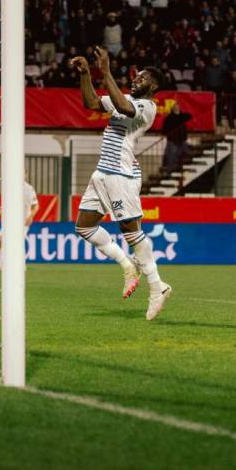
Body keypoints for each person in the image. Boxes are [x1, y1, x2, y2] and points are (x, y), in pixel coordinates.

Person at [69, 47, 172, 320]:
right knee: (84, 226)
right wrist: (86, 75)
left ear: (154, 86)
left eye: (143, 78)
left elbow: (125, 109)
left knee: (129, 229)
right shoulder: (124, 97)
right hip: (103, 172)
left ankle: (157, 287)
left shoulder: (147, 107)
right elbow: (91, 103)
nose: (136, 80)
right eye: (135, 77)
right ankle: (127, 265)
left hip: (120, 174)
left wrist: (106, 71)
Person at [0, 174, 39, 272]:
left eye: (22, 173)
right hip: (10, 220)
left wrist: (30, 216)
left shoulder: (29, 189)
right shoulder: (10, 187)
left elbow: (36, 206)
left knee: (18, 243)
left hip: (23, 221)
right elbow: (6, 204)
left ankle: (22, 266)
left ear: (25, 176)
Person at [161, 103, 192, 173]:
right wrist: (167, 135)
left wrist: (181, 113)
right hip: (172, 140)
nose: (177, 108)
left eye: (178, 107)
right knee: (171, 155)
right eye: (175, 107)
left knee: (185, 152)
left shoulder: (182, 116)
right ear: (173, 109)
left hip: (182, 139)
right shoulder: (169, 117)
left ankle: (179, 168)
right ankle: (170, 169)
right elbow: (165, 129)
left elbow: (190, 116)